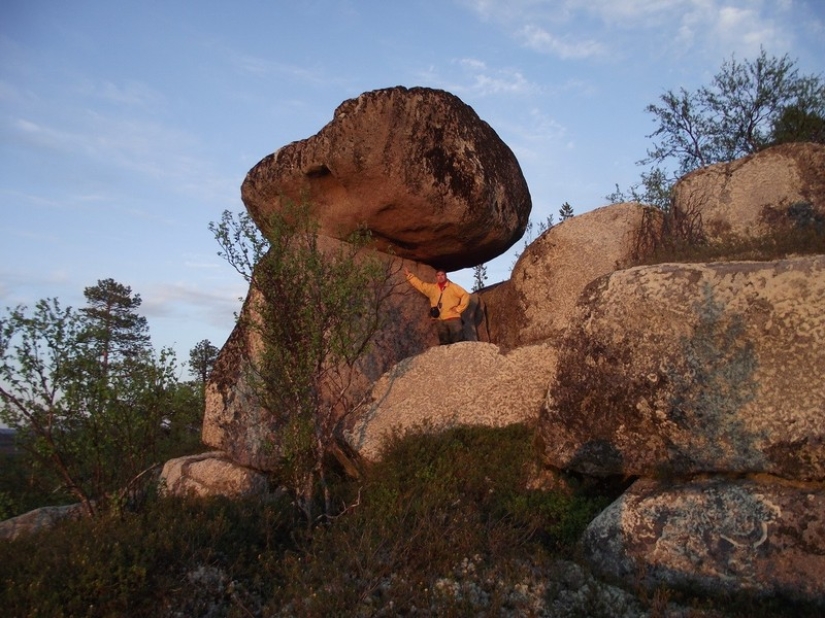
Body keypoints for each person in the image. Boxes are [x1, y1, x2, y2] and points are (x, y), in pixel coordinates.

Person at [404, 266, 470, 345]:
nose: (440, 277)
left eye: (442, 275)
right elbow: (420, 285)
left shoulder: (453, 287)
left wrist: (459, 309)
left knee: (458, 341)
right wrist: (409, 276)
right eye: (438, 275)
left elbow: (465, 295)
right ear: (436, 277)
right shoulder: (432, 289)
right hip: (440, 319)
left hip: (453, 318)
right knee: (444, 343)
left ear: (446, 276)